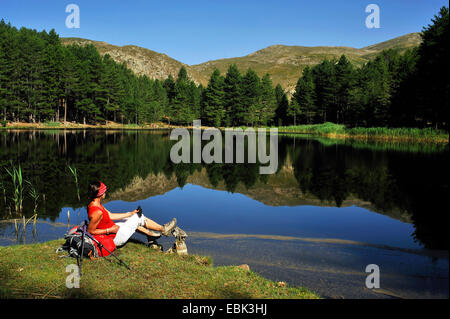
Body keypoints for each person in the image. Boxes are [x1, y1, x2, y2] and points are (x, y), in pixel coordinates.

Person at [86, 180, 176, 253]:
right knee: (139, 217)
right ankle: (163, 229)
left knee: (132, 217)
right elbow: (90, 231)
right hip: (115, 237)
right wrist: (109, 230)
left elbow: (110, 215)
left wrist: (130, 213)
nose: (106, 191)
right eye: (104, 190)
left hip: (113, 231)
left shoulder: (94, 204)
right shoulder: (97, 212)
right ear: (100, 194)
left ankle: (152, 235)